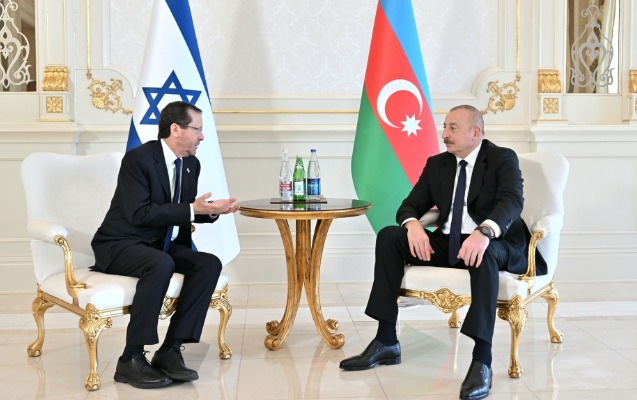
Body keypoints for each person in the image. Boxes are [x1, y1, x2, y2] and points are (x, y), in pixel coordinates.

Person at [339, 105, 546, 400]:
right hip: (449, 243)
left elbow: (512, 201)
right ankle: (386, 341)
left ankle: (482, 360)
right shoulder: (438, 164)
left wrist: (484, 232)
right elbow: (409, 206)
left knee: (484, 253)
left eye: (452, 128)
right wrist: (413, 225)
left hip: (494, 243)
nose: (444, 134)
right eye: (445, 127)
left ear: (475, 132)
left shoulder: (502, 158)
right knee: (390, 236)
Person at [91, 100, 239, 389]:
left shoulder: (191, 164)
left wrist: (211, 211)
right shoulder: (138, 159)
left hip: (161, 243)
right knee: (161, 263)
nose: (202, 136)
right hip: (120, 243)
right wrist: (192, 209)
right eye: (197, 129)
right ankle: (130, 358)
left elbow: (183, 210)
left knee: (208, 264)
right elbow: (139, 214)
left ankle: (170, 350)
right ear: (176, 129)